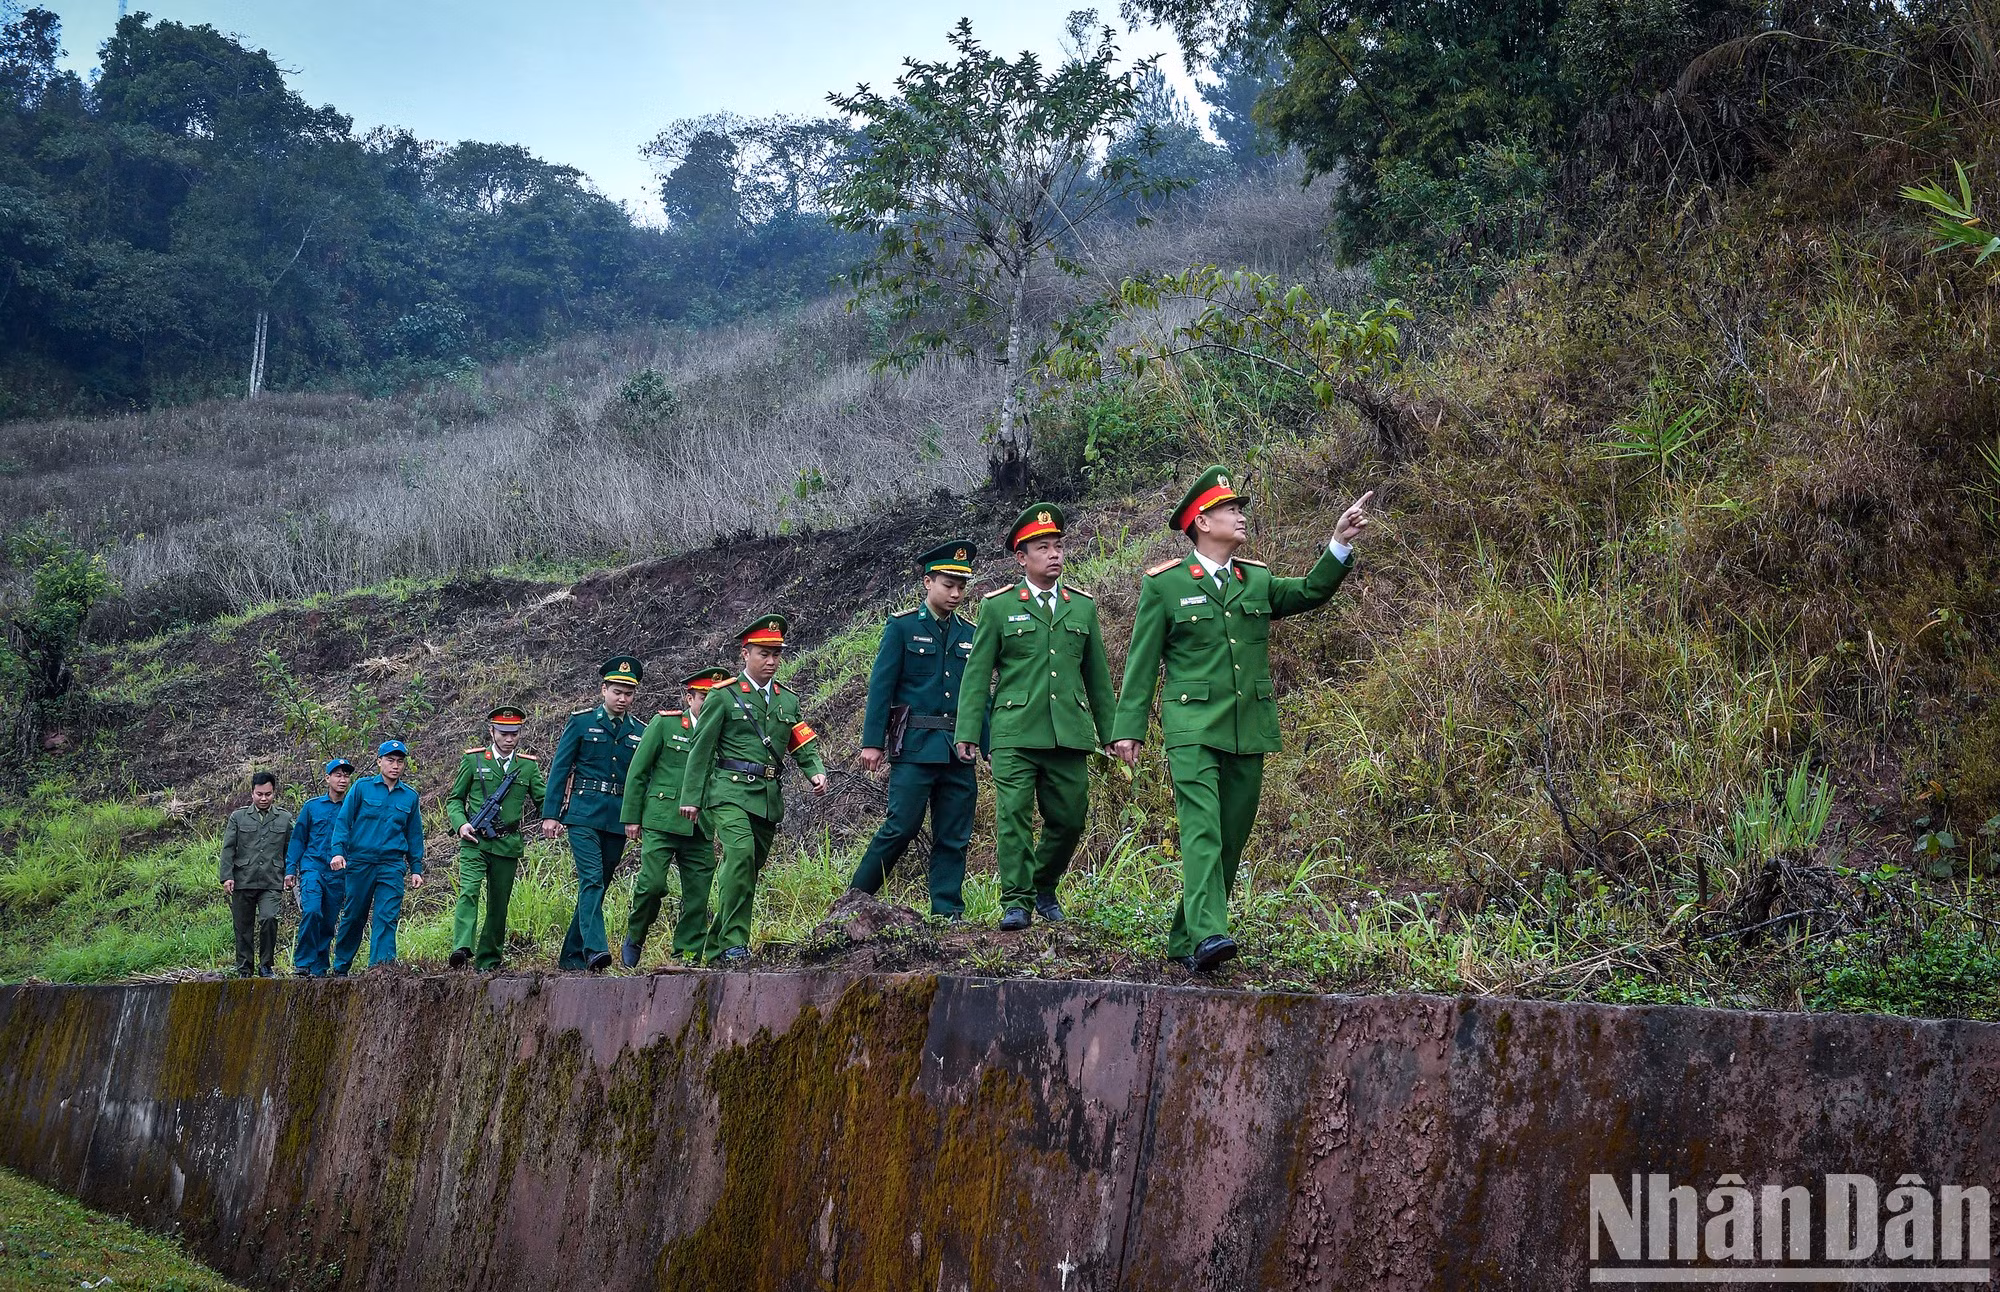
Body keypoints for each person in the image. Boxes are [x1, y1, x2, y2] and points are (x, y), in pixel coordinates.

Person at [1110, 467, 1373, 970]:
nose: (1241, 514)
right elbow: (1142, 663)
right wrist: (1129, 728)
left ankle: (1185, 938)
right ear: (1202, 522)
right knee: (1202, 829)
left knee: (1231, 834)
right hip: (1191, 729)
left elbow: (1308, 593)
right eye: (1231, 509)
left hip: (1247, 726)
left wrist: (1338, 543)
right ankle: (1211, 933)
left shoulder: (1254, 578)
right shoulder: (1165, 587)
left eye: (1239, 507)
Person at [954, 504, 1117, 932]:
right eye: (1042, 547)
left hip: (1069, 732)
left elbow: (1098, 678)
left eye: (1058, 546)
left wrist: (1115, 734)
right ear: (1021, 558)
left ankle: (1043, 884)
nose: (1054, 554)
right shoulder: (998, 607)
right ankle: (1018, 901)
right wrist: (969, 730)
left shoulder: (1081, 607)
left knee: (1070, 818)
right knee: (1013, 817)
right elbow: (976, 676)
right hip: (1014, 733)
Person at [679, 615, 828, 962]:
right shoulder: (724, 696)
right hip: (727, 792)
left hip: (766, 797)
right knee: (741, 854)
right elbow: (700, 750)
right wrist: (691, 799)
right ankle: (734, 942)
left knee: (748, 869)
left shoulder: (786, 700)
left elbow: (800, 741)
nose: (772, 661)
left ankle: (716, 947)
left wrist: (815, 771)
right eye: (764, 653)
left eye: (777, 654)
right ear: (745, 654)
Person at [847, 539, 980, 918]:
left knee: (954, 835)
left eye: (961, 586)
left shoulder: (970, 633)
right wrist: (872, 743)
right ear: (927, 581)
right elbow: (881, 686)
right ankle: (854, 900)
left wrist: (987, 741)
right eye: (947, 584)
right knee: (901, 826)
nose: (955, 593)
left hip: (958, 748)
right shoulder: (903, 628)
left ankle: (947, 911)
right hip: (915, 747)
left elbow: (977, 693)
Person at [619, 666, 734, 966]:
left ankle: (687, 954)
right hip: (661, 819)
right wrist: (632, 817)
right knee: (652, 884)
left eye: (714, 697)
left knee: (697, 895)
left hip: (701, 825)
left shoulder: (725, 731)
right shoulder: (665, 724)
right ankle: (636, 934)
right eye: (703, 696)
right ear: (689, 697)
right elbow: (638, 771)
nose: (708, 703)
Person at [542, 656, 647, 972]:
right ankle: (596, 950)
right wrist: (551, 815)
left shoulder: (640, 731)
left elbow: (641, 778)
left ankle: (571, 956)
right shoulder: (581, 722)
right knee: (591, 879)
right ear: (604, 689)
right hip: (583, 814)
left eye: (628, 693)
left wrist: (637, 817)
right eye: (617, 691)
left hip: (617, 818)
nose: (622, 699)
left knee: (600, 882)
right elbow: (560, 770)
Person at [444, 706, 546, 971]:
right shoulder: (473, 761)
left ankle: (488, 960)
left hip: (507, 843)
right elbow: (455, 799)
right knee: (469, 891)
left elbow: (542, 800)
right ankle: (462, 947)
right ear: (491, 731)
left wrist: (554, 815)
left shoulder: (527, 766)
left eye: (514, 733)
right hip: (474, 841)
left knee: (499, 903)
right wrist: (461, 824)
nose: (509, 739)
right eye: (503, 733)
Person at [329, 739, 426, 975]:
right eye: (390, 760)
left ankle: (380, 970)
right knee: (354, 915)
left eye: (400, 761)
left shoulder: (409, 797)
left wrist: (416, 868)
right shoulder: (362, 788)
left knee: (387, 915)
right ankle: (341, 968)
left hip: (392, 864)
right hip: (361, 861)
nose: (395, 766)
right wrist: (338, 851)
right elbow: (343, 821)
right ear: (379, 761)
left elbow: (414, 834)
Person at [219, 771, 294, 978]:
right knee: (243, 926)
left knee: (269, 918)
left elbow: (291, 849)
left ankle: (266, 965)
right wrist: (227, 876)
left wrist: (290, 873)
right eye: (259, 794)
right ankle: (244, 968)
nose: (263, 799)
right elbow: (228, 848)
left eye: (268, 794)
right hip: (243, 879)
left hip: (272, 879)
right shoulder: (238, 817)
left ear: (274, 793)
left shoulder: (285, 818)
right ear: (252, 793)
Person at [285, 758, 354, 977]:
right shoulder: (312, 807)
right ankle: (303, 962)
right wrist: (290, 870)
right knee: (312, 910)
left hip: (338, 873)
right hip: (312, 867)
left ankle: (319, 967)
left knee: (328, 921)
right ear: (327, 778)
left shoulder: (353, 808)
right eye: (337, 775)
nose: (342, 780)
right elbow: (298, 840)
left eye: (345, 776)